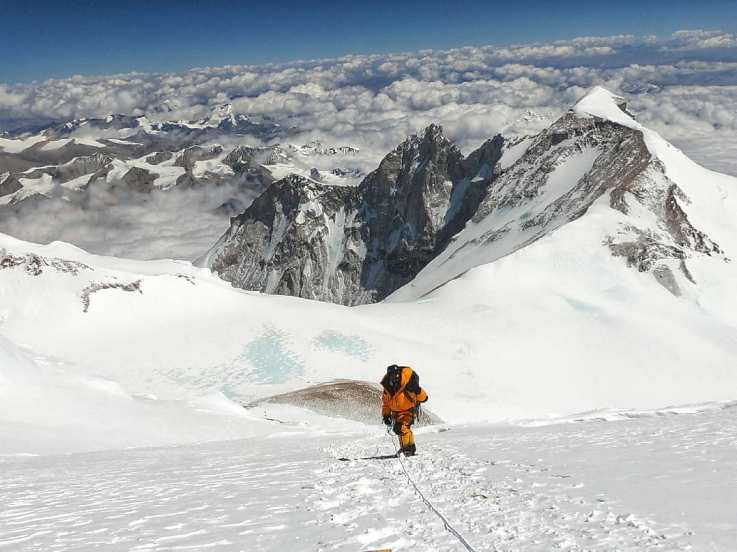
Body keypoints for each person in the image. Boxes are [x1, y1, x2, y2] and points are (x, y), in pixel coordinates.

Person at [381, 364, 428, 456]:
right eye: (392, 375)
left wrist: (418, 390)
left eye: (396, 374)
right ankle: (410, 447)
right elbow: (386, 404)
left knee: (401, 428)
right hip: (396, 413)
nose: (395, 377)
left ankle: (406, 449)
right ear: (389, 375)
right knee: (402, 430)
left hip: (409, 411)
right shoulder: (387, 388)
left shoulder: (408, 384)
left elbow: (424, 398)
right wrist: (386, 415)